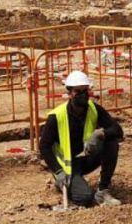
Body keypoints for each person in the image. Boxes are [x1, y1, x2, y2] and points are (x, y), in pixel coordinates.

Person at [38, 70, 124, 207]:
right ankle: (62, 183)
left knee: (111, 143)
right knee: (84, 198)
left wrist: (100, 134)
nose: (83, 95)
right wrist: (58, 171)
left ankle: (102, 192)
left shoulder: (93, 109)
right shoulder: (56, 116)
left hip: (86, 158)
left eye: (85, 90)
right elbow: (44, 146)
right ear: (70, 93)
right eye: (78, 91)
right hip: (68, 168)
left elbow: (118, 130)